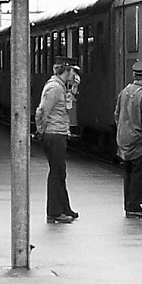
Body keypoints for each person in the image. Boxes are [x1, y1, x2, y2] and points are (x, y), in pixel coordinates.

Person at [34, 57, 80, 224]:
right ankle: (54, 212)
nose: (74, 74)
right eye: (72, 71)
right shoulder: (54, 88)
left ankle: (65, 208)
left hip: (58, 133)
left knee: (60, 172)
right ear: (65, 71)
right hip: (53, 134)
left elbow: (67, 105)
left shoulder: (60, 87)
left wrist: (74, 88)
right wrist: (40, 130)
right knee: (56, 173)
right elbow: (42, 111)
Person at [115, 60, 142, 219]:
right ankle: (134, 206)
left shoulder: (124, 92)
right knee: (140, 175)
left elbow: (116, 114)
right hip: (140, 142)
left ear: (134, 75)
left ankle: (129, 205)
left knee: (128, 174)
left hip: (124, 141)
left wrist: (122, 131)